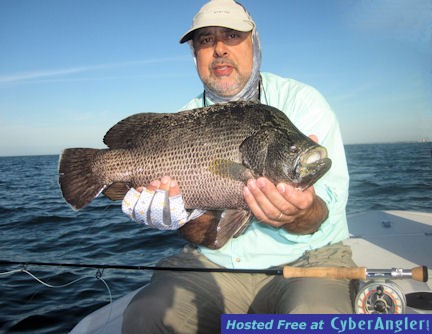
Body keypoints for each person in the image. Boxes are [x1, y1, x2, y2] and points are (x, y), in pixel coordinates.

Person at [122, 0, 356, 332]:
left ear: (254, 45)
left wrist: (301, 212)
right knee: (146, 314)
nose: (219, 49)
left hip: (308, 262)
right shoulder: (181, 122)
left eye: (232, 36)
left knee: (314, 317)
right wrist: (179, 217)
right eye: (205, 40)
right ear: (195, 56)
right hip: (215, 266)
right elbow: (210, 239)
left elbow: (326, 211)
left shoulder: (303, 102)